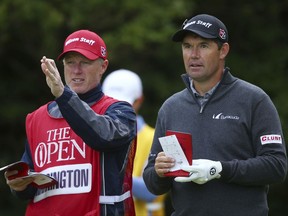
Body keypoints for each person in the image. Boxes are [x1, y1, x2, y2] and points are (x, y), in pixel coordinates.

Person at [143, 14, 287, 216]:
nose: (193, 55)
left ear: (223, 51)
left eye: (203, 46)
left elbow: (276, 166)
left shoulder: (254, 100)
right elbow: (152, 184)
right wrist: (160, 172)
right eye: (187, 46)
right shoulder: (171, 107)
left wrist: (219, 169)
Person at [4, 30, 137, 216]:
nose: (76, 70)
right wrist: (19, 186)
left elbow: (102, 136)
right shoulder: (36, 118)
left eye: (85, 62)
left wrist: (63, 95)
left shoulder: (121, 112)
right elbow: (31, 187)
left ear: (103, 66)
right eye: (70, 62)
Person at [102, 69, 166, 216]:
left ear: (139, 101)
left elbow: (152, 190)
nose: (115, 109)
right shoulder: (98, 136)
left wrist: (109, 171)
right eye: (110, 102)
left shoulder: (154, 137)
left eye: (122, 103)